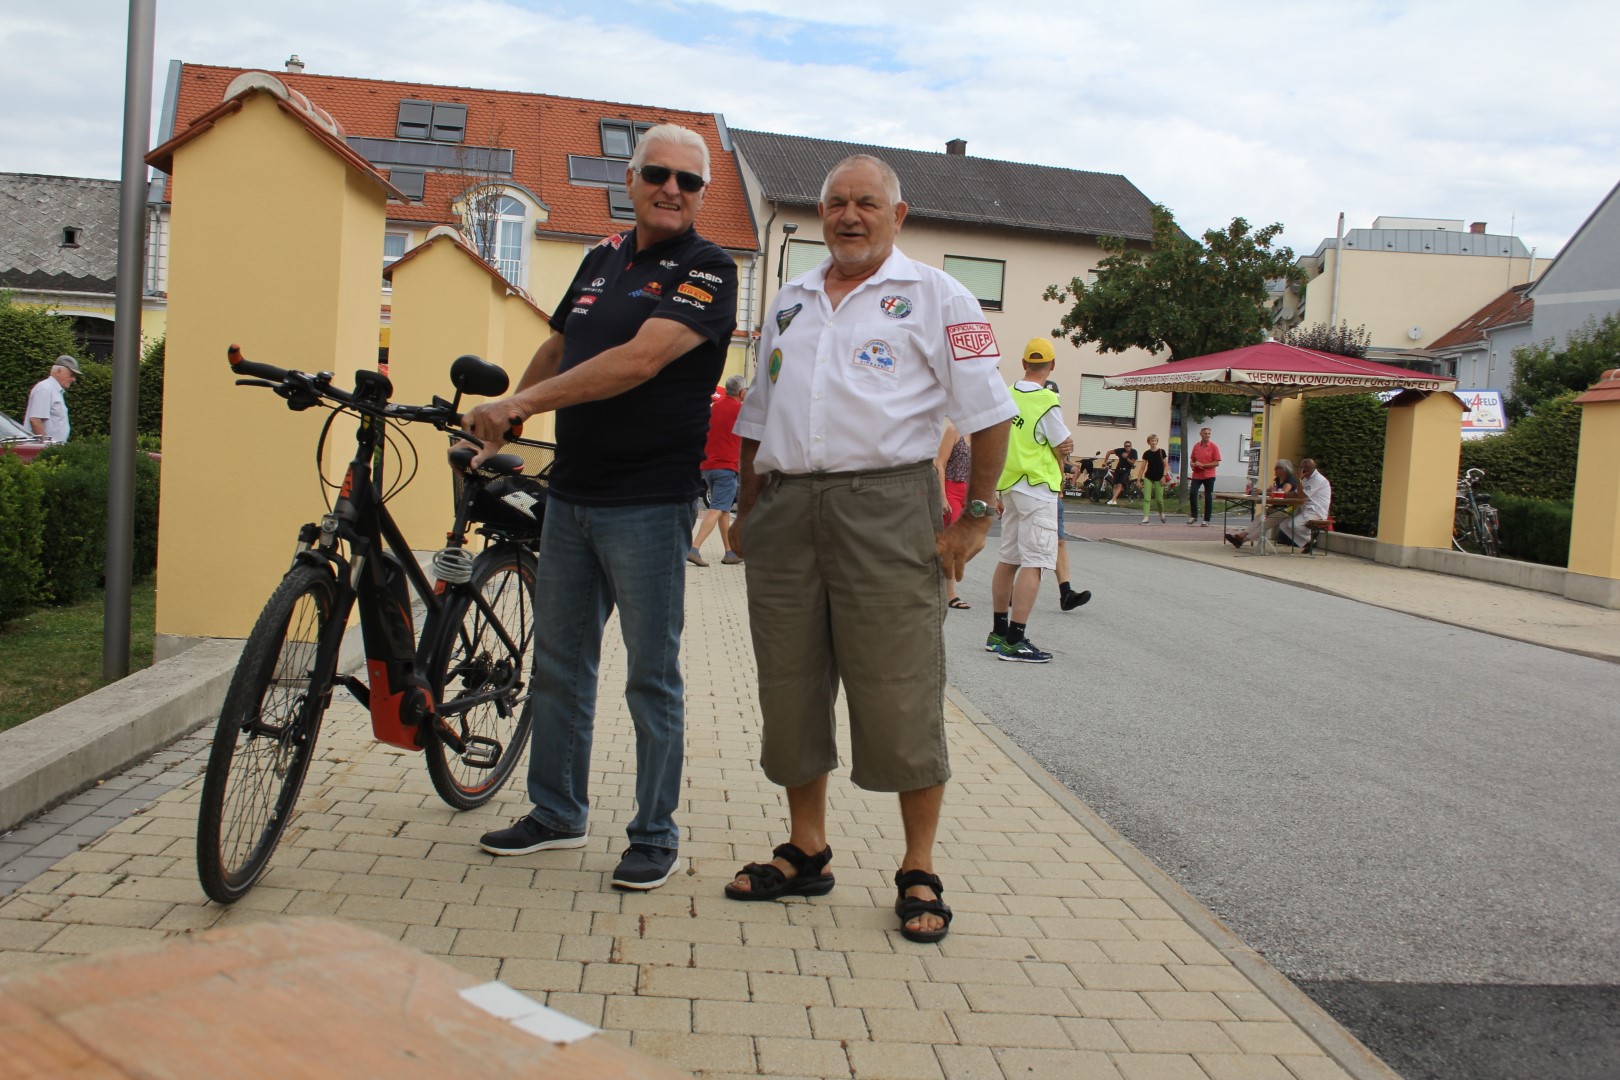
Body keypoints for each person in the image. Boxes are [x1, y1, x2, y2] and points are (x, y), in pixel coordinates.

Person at [724, 154, 1015, 945]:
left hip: (887, 508)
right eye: (836, 204)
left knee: (898, 687)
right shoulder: (790, 298)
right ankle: (806, 849)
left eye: (866, 203)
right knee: (788, 681)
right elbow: (759, 414)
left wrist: (974, 518)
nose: (850, 215)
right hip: (786, 511)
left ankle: (918, 866)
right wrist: (747, 511)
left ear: (899, 213)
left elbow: (991, 412)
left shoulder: (939, 297)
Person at [462, 124, 737, 891]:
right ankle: (556, 812)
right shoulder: (600, 257)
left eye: (689, 181)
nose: (672, 189)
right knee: (557, 665)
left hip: (648, 504)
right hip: (574, 494)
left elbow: (637, 361)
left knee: (650, 677)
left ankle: (654, 832)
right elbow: (562, 348)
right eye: (659, 174)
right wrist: (506, 419)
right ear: (631, 177)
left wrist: (520, 401)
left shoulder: (708, 267)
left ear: (701, 193)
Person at [988, 338, 1072, 662]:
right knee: (1035, 562)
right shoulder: (1048, 399)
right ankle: (1016, 639)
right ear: (1052, 366)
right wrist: (1064, 447)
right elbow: (1062, 442)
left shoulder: (1006, 395)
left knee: (1008, 558)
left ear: (1023, 363)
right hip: (1037, 487)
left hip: (1008, 486)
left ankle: (997, 631)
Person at [689, 375, 746, 566]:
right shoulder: (741, 410)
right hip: (726, 466)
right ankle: (694, 548)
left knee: (723, 510)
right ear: (741, 392)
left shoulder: (715, 408)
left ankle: (729, 552)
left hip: (708, 467)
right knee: (716, 509)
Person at [934, 422, 972, 609]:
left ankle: (936, 573)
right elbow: (940, 463)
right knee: (954, 544)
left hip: (970, 495)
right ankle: (950, 595)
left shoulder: (982, 434)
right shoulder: (954, 430)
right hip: (952, 491)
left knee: (977, 543)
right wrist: (942, 496)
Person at [1226, 459, 1302, 549]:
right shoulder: (1277, 479)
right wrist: (1261, 492)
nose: (1274, 469)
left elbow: (1283, 494)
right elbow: (1270, 490)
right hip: (1276, 506)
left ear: (1284, 469)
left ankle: (1242, 539)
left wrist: (1268, 493)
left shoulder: (1290, 480)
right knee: (1260, 517)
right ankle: (1241, 536)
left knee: (1265, 523)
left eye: (1277, 468)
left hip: (1286, 509)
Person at [1279, 458, 1332, 550]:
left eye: (1302, 468)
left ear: (1306, 469)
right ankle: (1308, 542)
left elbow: (1301, 496)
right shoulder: (1306, 479)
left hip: (1316, 510)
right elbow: (1295, 493)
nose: (1300, 470)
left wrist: (1299, 479)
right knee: (1283, 525)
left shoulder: (1317, 479)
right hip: (1305, 508)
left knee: (1294, 525)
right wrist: (1281, 495)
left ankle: (1310, 540)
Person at [25, 355, 78, 444]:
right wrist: (47, 446)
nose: (73, 379)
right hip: (44, 451)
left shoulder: (54, 390)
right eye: (71, 375)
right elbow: (35, 421)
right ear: (58, 371)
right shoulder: (45, 389)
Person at [1187, 426, 1221, 526]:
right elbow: (1192, 459)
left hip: (1209, 475)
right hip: (1197, 474)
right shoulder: (1196, 446)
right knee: (1193, 493)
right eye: (1205, 433)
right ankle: (1194, 516)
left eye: (1209, 434)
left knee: (1208, 496)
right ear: (1201, 434)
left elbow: (1216, 463)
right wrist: (1192, 464)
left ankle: (1207, 519)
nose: (1207, 435)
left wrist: (1204, 465)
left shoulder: (1213, 446)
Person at [1138, 433, 1170, 524]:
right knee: (1146, 498)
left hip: (1159, 477)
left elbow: (1166, 466)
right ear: (1149, 442)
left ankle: (1161, 513)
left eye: (1155, 440)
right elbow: (1142, 467)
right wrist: (1139, 479)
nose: (1153, 442)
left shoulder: (1161, 451)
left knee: (1159, 499)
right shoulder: (1146, 453)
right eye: (1152, 441)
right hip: (1148, 477)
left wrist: (1164, 476)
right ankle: (1146, 517)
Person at [1108, 440, 1137, 504]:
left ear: (1131, 446)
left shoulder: (1134, 452)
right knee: (1115, 484)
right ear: (1124, 446)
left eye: (1129, 446)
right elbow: (1109, 452)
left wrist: (1127, 458)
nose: (1127, 447)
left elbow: (1133, 462)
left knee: (1120, 484)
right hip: (1119, 469)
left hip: (1126, 470)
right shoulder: (1120, 450)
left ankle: (1112, 500)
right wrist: (1105, 461)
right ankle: (1114, 500)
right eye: (1126, 446)